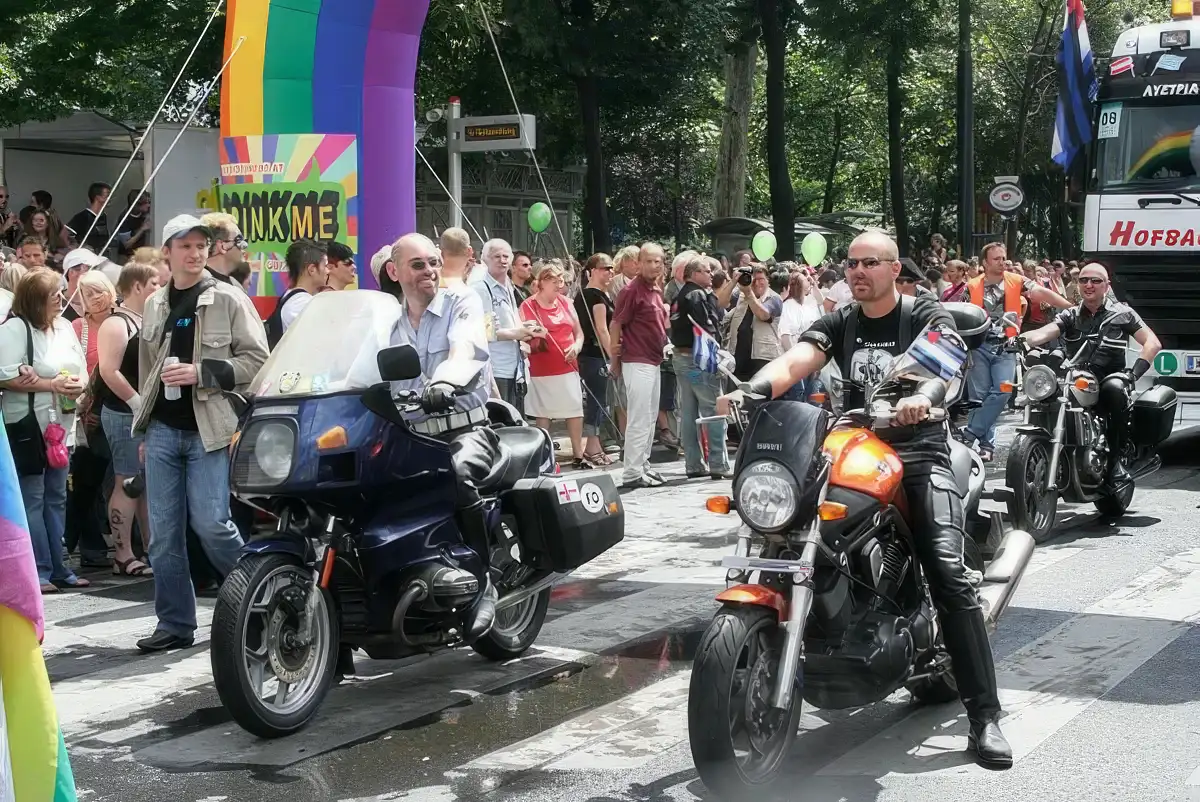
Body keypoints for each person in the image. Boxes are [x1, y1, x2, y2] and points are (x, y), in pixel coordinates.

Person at [715, 230, 1012, 768]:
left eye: (869, 263)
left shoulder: (924, 314)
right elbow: (797, 359)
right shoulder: (841, 320)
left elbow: (943, 365)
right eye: (850, 263)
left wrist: (921, 398)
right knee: (788, 529)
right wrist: (752, 389)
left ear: (894, 269)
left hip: (919, 452)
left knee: (947, 574)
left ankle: (984, 717)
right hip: (850, 446)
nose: (857, 271)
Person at [133, 215, 269, 652]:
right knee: (164, 535)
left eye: (200, 245)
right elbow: (147, 372)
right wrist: (144, 426)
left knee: (212, 524)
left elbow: (258, 362)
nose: (194, 253)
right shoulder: (154, 303)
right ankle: (174, 623)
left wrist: (202, 372)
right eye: (184, 246)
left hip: (210, 431)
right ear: (167, 253)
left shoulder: (228, 297)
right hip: (162, 430)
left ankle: (260, 597)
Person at [386, 233, 500, 630]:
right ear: (394, 271)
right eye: (418, 265)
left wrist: (445, 383)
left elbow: (464, 346)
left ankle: (485, 583)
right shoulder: (386, 320)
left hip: (463, 429)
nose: (430, 271)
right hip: (411, 435)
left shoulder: (461, 301)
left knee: (458, 473)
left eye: (434, 262)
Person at [1016, 263, 1161, 488]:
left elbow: (1152, 343)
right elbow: (1047, 331)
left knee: (1114, 390)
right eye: (1083, 280)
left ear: (1107, 286)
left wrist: (1132, 375)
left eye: (1095, 280)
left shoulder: (1122, 314)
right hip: (1076, 377)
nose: (1088, 285)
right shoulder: (1071, 314)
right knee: (1046, 395)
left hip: (1108, 377)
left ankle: (1116, 462)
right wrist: (1022, 339)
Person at [0, 268, 90, 592]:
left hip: (61, 425)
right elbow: (5, 375)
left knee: (57, 497)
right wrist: (51, 383)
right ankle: (38, 569)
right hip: (29, 427)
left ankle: (60, 567)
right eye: (55, 294)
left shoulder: (64, 327)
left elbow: (81, 370)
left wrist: (76, 385)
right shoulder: (14, 329)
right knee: (34, 499)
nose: (62, 299)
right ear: (36, 299)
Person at [963, 242, 1070, 461]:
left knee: (1002, 391)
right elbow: (962, 314)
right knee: (980, 398)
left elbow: (1042, 292)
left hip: (1007, 345)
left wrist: (1071, 308)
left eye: (1004, 258)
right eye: (997, 259)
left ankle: (970, 433)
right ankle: (986, 445)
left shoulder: (1017, 281)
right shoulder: (971, 286)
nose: (1002, 262)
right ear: (984, 263)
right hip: (979, 346)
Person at [610, 243, 669, 489]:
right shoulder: (631, 290)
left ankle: (643, 464)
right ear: (639, 263)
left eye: (658, 261)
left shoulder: (656, 289)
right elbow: (616, 324)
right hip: (636, 360)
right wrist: (615, 361)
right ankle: (632, 472)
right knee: (638, 417)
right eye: (649, 261)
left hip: (654, 360)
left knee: (650, 417)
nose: (654, 266)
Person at [669, 253, 730, 479]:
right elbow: (707, 327)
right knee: (713, 409)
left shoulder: (679, 295)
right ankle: (718, 463)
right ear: (694, 274)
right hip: (699, 361)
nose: (711, 274)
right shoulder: (696, 294)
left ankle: (693, 464)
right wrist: (718, 352)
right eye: (706, 270)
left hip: (681, 359)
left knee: (688, 411)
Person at [266, 239, 328, 347]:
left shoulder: (291, 297)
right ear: (312, 269)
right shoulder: (301, 304)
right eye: (325, 266)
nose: (328, 271)